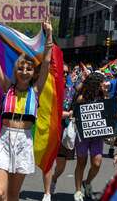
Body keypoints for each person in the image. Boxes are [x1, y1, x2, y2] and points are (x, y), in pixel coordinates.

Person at [0, 15, 53, 201]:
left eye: (29, 68)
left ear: (33, 72)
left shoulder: (35, 91)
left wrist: (49, 35)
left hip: (23, 143)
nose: (25, 71)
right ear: (16, 70)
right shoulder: (7, 87)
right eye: (21, 68)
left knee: (13, 196)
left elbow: (46, 63)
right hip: (4, 140)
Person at [73, 72, 109, 201]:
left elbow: (108, 111)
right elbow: (75, 112)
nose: (104, 84)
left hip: (97, 135)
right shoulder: (81, 97)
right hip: (83, 134)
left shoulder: (103, 95)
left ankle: (87, 182)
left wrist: (105, 95)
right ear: (95, 83)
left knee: (97, 163)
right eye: (102, 82)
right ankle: (77, 191)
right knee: (81, 163)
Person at [42, 64, 75, 201]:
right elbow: (43, 107)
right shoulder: (47, 87)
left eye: (67, 72)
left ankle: (54, 179)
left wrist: (71, 113)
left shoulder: (71, 90)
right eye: (62, 72)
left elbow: (75, 106)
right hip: (50, 128)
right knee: (48, 162)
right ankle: (47, 192)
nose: (64, 74)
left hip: (65, 130)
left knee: (61, 164)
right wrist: (61, 114)